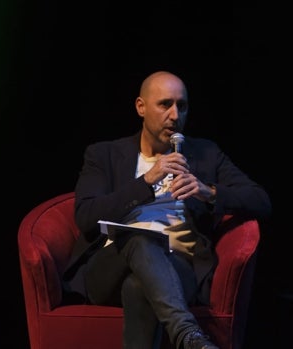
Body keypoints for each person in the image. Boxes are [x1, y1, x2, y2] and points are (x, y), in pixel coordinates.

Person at [62, 71, 271, 349]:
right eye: (165, 104)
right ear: (141, 107)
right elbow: (86, 216)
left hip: (177, 267)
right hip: (109, 267)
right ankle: (188, 335)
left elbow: (260, 200)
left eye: (181, 106)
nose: (175, 115)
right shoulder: (104, 154)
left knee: (138, 288)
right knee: (139, 237)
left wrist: (208, 192)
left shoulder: (205, 154)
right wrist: (146, 181)